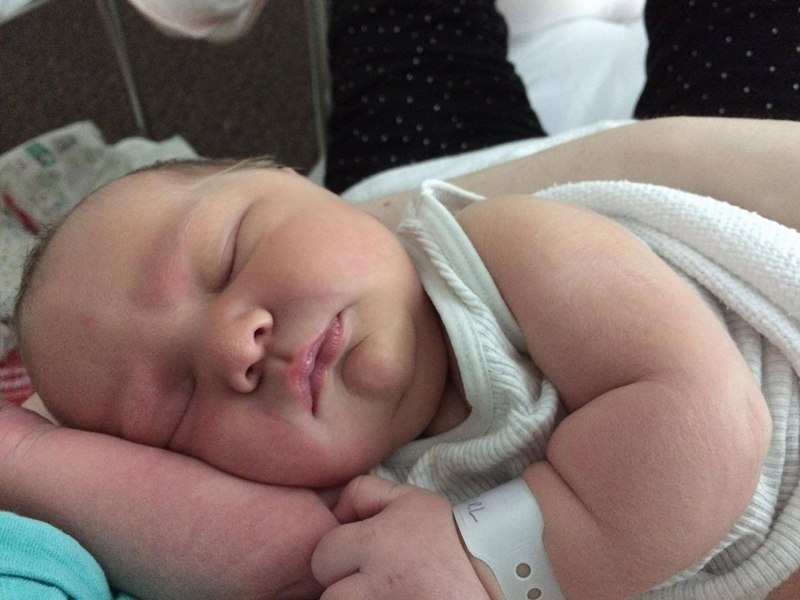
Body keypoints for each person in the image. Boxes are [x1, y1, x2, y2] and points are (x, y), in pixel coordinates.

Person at [3, 2, 800, 600]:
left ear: (292, 181)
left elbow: (708, 423)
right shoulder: (366, 496)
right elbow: (235, 552)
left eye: (227, 256)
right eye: (177, 403)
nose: (231, 346)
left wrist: (496, 561)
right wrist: (26, 454)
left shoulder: (510, 253)